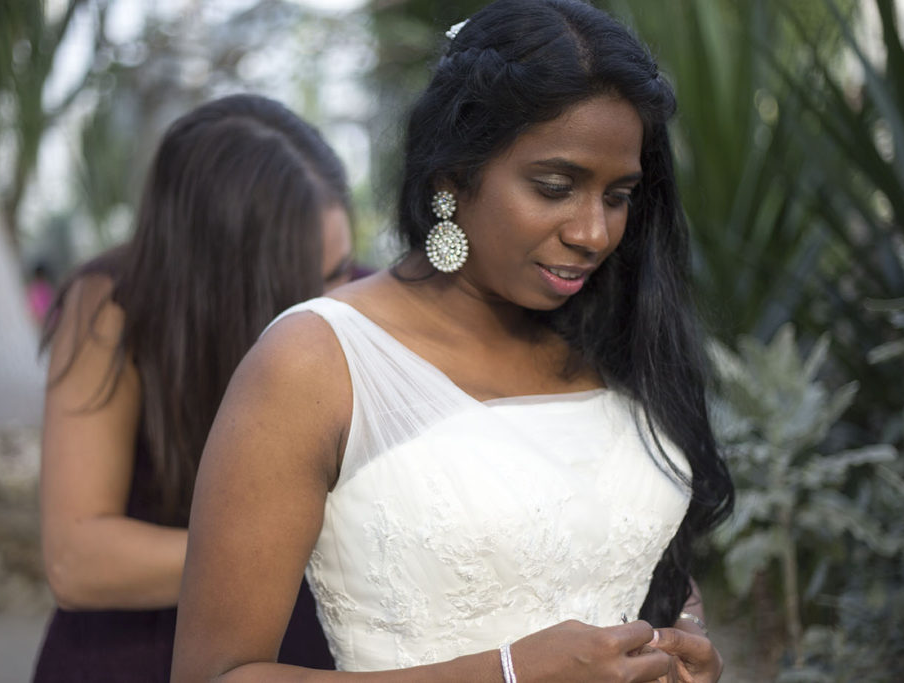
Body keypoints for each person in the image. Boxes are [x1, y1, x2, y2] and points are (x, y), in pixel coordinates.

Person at [172, 1, 734, 681]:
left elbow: (624, 543)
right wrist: (507, 673)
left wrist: (683, 638)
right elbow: (214, 673)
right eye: (555, 187)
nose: (593, 232)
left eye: (618, 196)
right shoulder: (315, 362)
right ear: (452, 175)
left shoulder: (614, 332)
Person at [32, 93, 354, 682]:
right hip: (143, 649)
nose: (340, 301)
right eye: (314, 279)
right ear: (228, 277)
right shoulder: (112, 306)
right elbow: (76, 559)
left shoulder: (360, 299)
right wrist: (276, 547)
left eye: (345, 269)